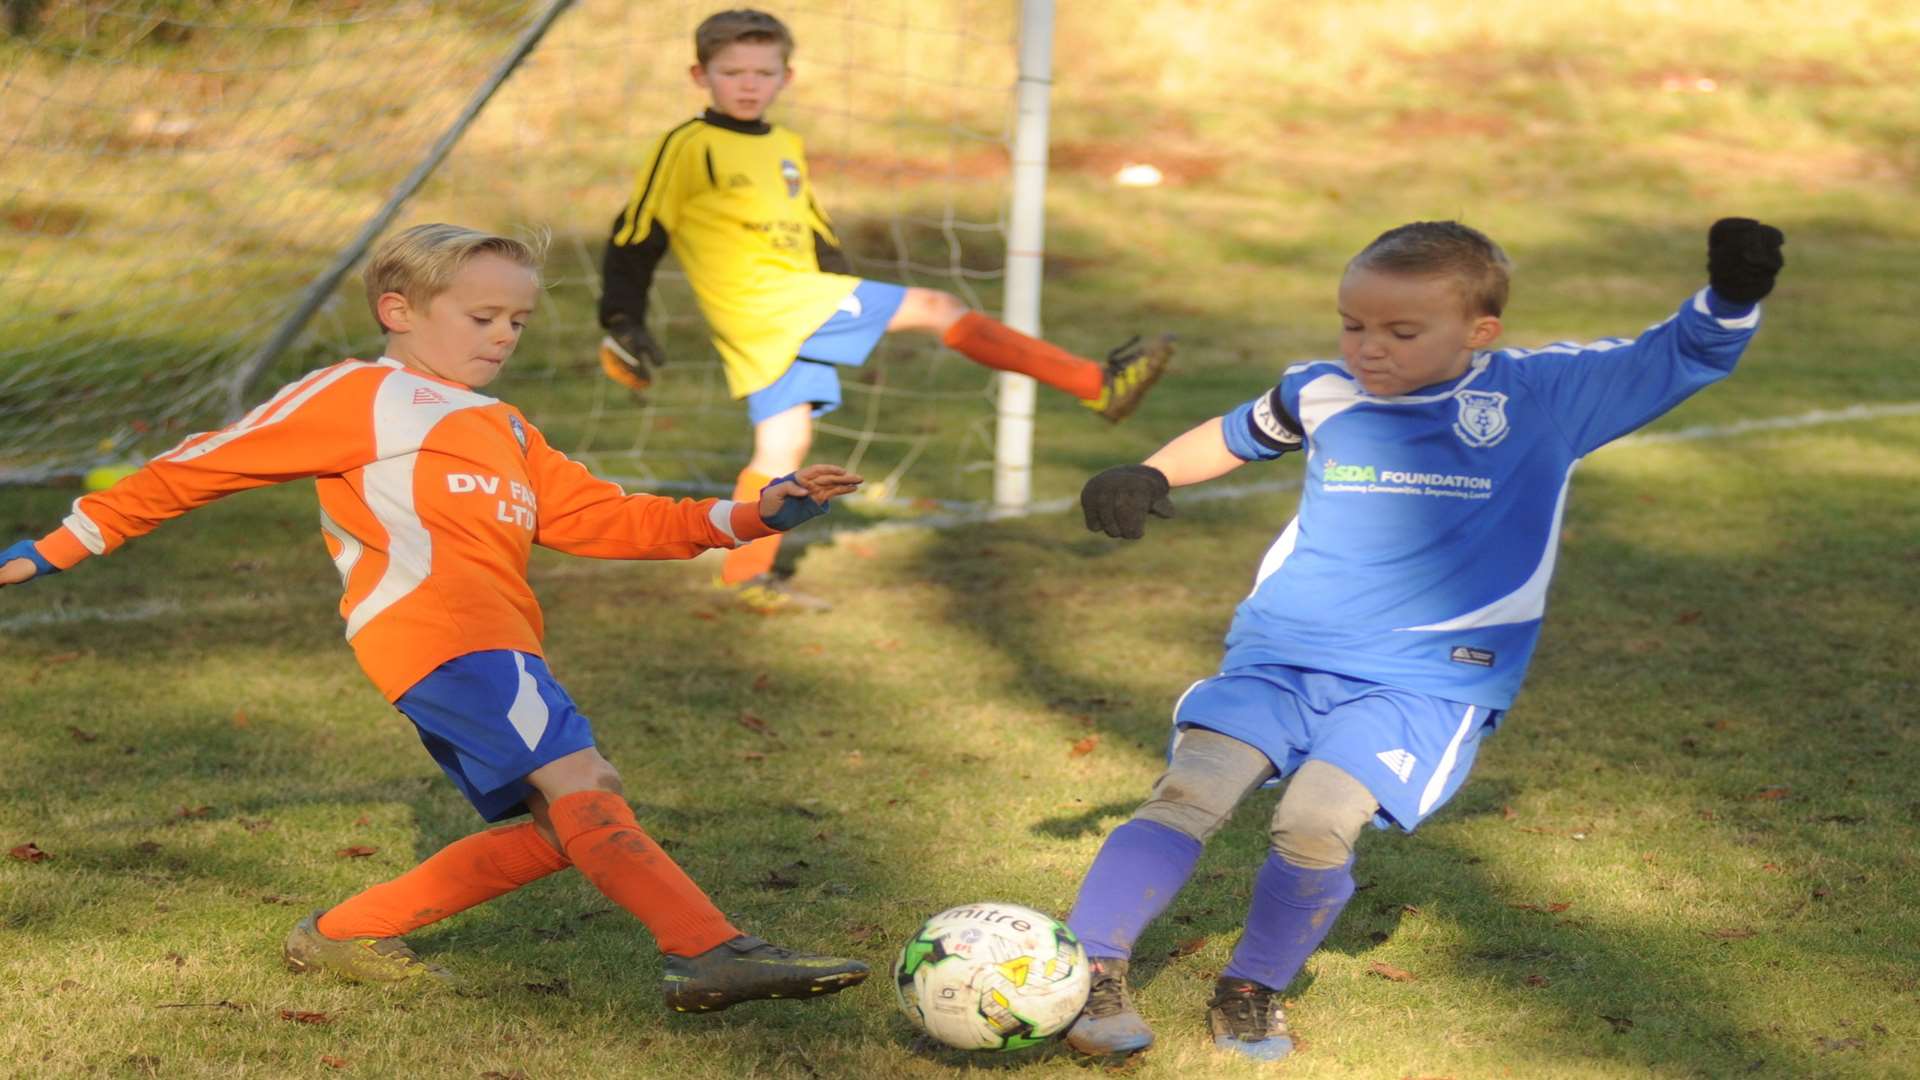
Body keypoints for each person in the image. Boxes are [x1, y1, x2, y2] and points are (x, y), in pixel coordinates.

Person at [0, 222, 874, 1013]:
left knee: (564, 819)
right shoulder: (361, 394)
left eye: (517, 323)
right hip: (440, 636)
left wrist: (762, 512)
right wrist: (61, 545)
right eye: (482, 316)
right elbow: (203, 465)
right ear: (400, 309)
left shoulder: (506, 427)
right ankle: (708, 949)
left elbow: (608, 517)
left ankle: (341, 934)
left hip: (495, 644)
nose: (502, 336)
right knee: (581, 788)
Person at [1058, 218, 1786, 1060]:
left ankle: (1252, 986)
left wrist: (1733, 295)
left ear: (1480, 332)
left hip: (1426, 679)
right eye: (1353, 324)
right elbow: (1233, 435)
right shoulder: (1323, 390)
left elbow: (1681, 354)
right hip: (1283, 652)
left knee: (1315, 825)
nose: (1370, 349)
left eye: (1402, 333)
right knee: (1189, 792)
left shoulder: (1546, 397)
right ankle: (1090, 967)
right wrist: (1149, 471)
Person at [595, 8, 1175, 612]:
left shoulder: (785, 145)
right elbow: (637, 230)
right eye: (732, 71)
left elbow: (815, 232)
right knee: (935, 305)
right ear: (700, 75)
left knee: (782, 446)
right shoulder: (687, 144)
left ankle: (746, 578)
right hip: (765, 303)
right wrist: (621, 316)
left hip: (789, 305)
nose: (748, 84)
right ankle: (1095, 384)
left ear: (786, 77)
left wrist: (846, 285)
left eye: (762, 72)